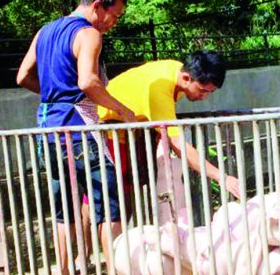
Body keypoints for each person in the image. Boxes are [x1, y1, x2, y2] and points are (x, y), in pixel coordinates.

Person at [16, 0, 137, 275]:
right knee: (108, 204)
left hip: (49, 128)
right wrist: (123, 111)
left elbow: (22, 76)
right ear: (98, 7)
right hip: (81, 127)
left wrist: (55, 94)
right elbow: (88, 83)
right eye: (115, 15)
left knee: (64, 207)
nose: (113, 23)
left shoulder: (45, 31)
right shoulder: (89, 34)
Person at [97, 51, 241, 206]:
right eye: (202, 90)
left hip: (123, 129)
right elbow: (177, 142)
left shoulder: (177, 70)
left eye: (209, 92)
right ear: (187, 78)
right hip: (105, 126)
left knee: (113, 198)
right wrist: (221, 177)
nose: (204, 97)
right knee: (113, 202)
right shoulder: (161, 90)